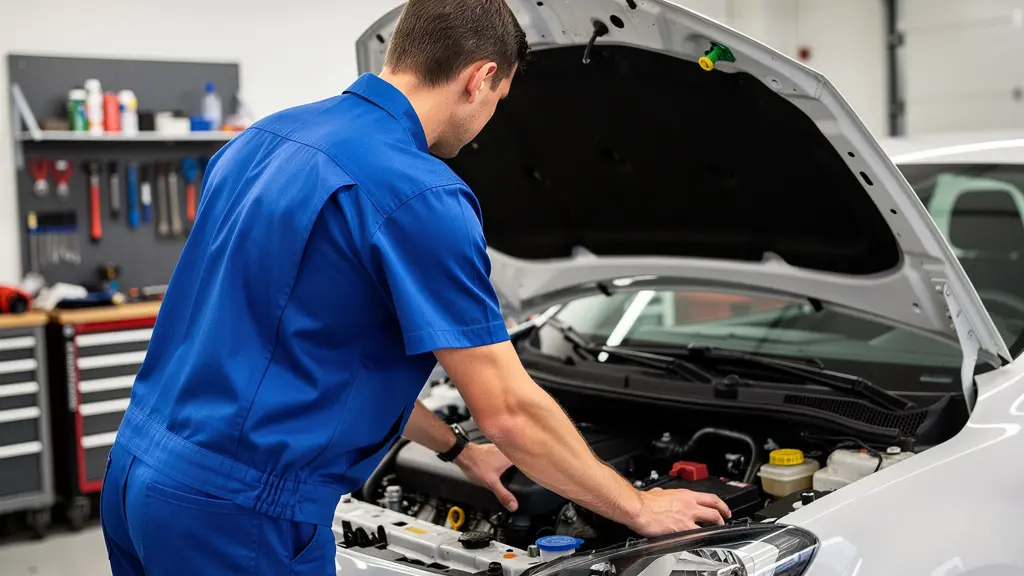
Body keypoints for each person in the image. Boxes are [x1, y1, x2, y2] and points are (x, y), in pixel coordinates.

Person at [100, 1, 731, 574]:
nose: (487, 124)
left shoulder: (263, 140)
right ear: (480, 78)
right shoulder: (419, 192)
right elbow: (508, 408)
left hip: (139, 476)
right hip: (241, 517)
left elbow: (313, 354)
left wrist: (458, 449)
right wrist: (637, 507)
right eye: (499, 100)